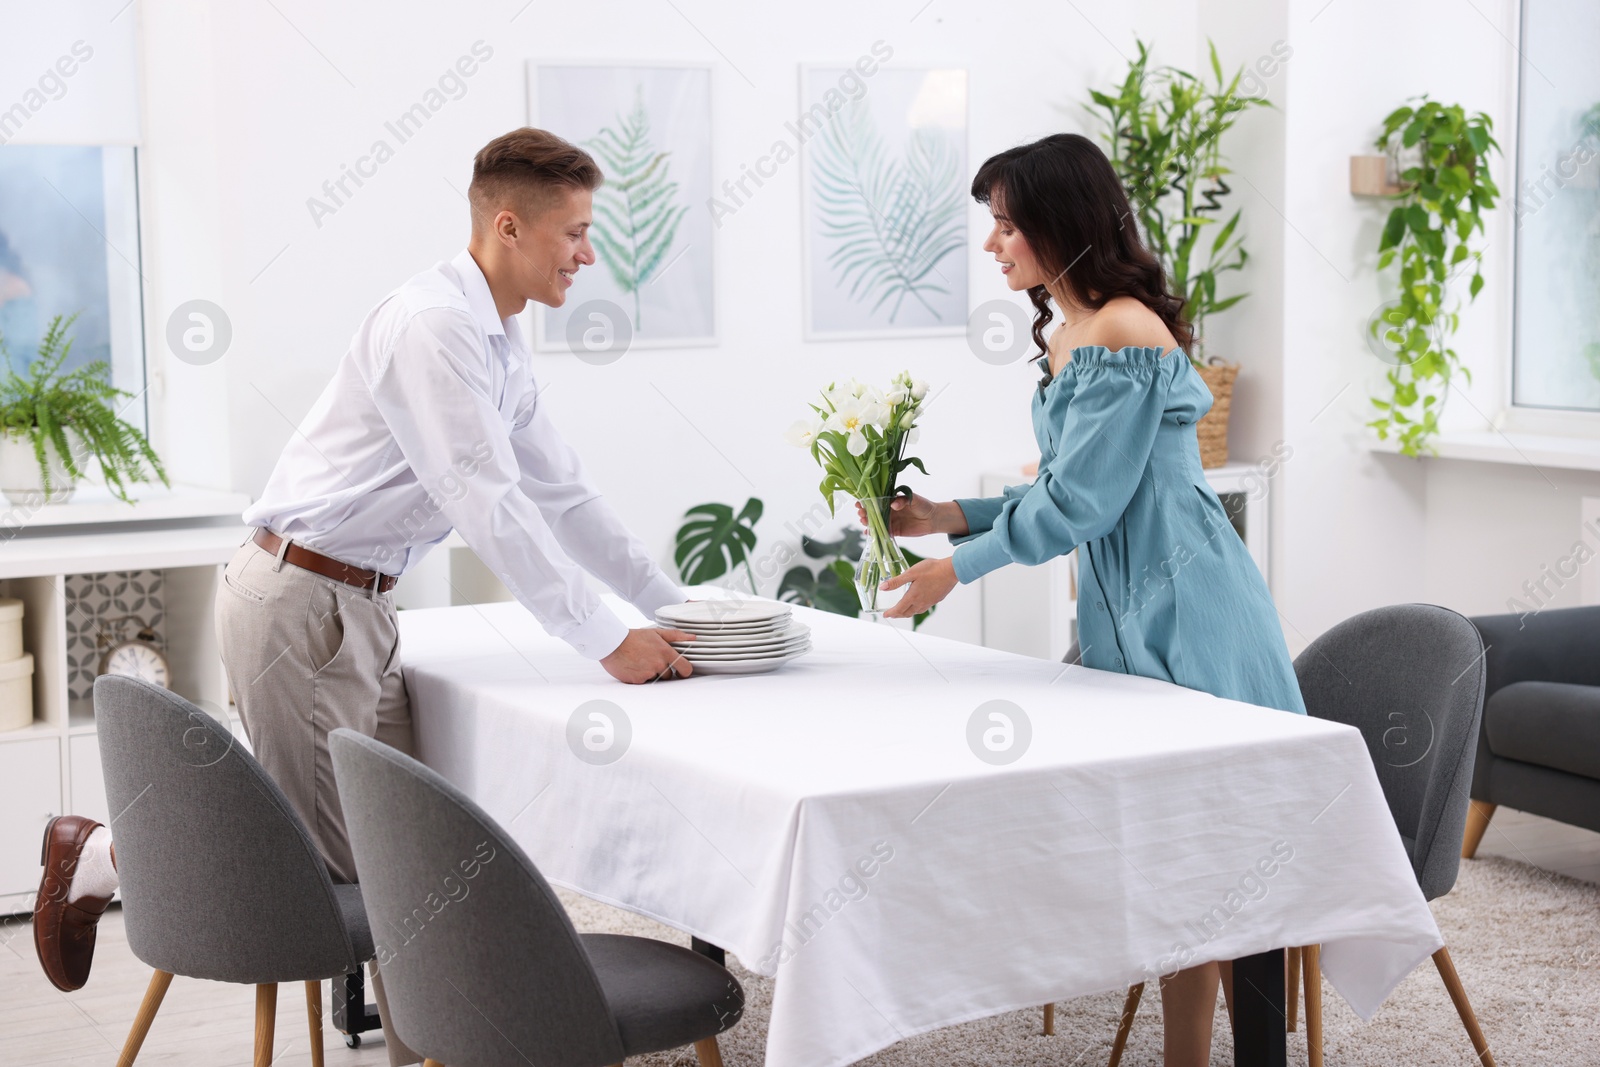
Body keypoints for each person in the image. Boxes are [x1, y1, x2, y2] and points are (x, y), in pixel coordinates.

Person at [34, 129, 699, 1056]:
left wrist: (667, 605)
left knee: (403, 859)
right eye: (576, 233)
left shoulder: (497, 341)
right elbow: (488, 503)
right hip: (304, 602)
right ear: (509, 226)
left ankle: (426, 1046)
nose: (590, 254)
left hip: (357, 608)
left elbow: (564, 494)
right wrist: (603, 639)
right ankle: (103, 853)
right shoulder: (433, 327)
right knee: (343, 877)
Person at [868, 132, 1306, 1067]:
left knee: (1232, 846)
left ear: (1059, 223)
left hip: (1192, 613)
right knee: (1186, 851)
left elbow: (1084, 503)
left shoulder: (1123, 330)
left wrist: (959, 566)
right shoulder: (1074, 333)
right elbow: (1068, 482)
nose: (994, 245)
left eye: (1007, 224)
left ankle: (1255, 1054)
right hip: (1127, 612)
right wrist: (947, 513)